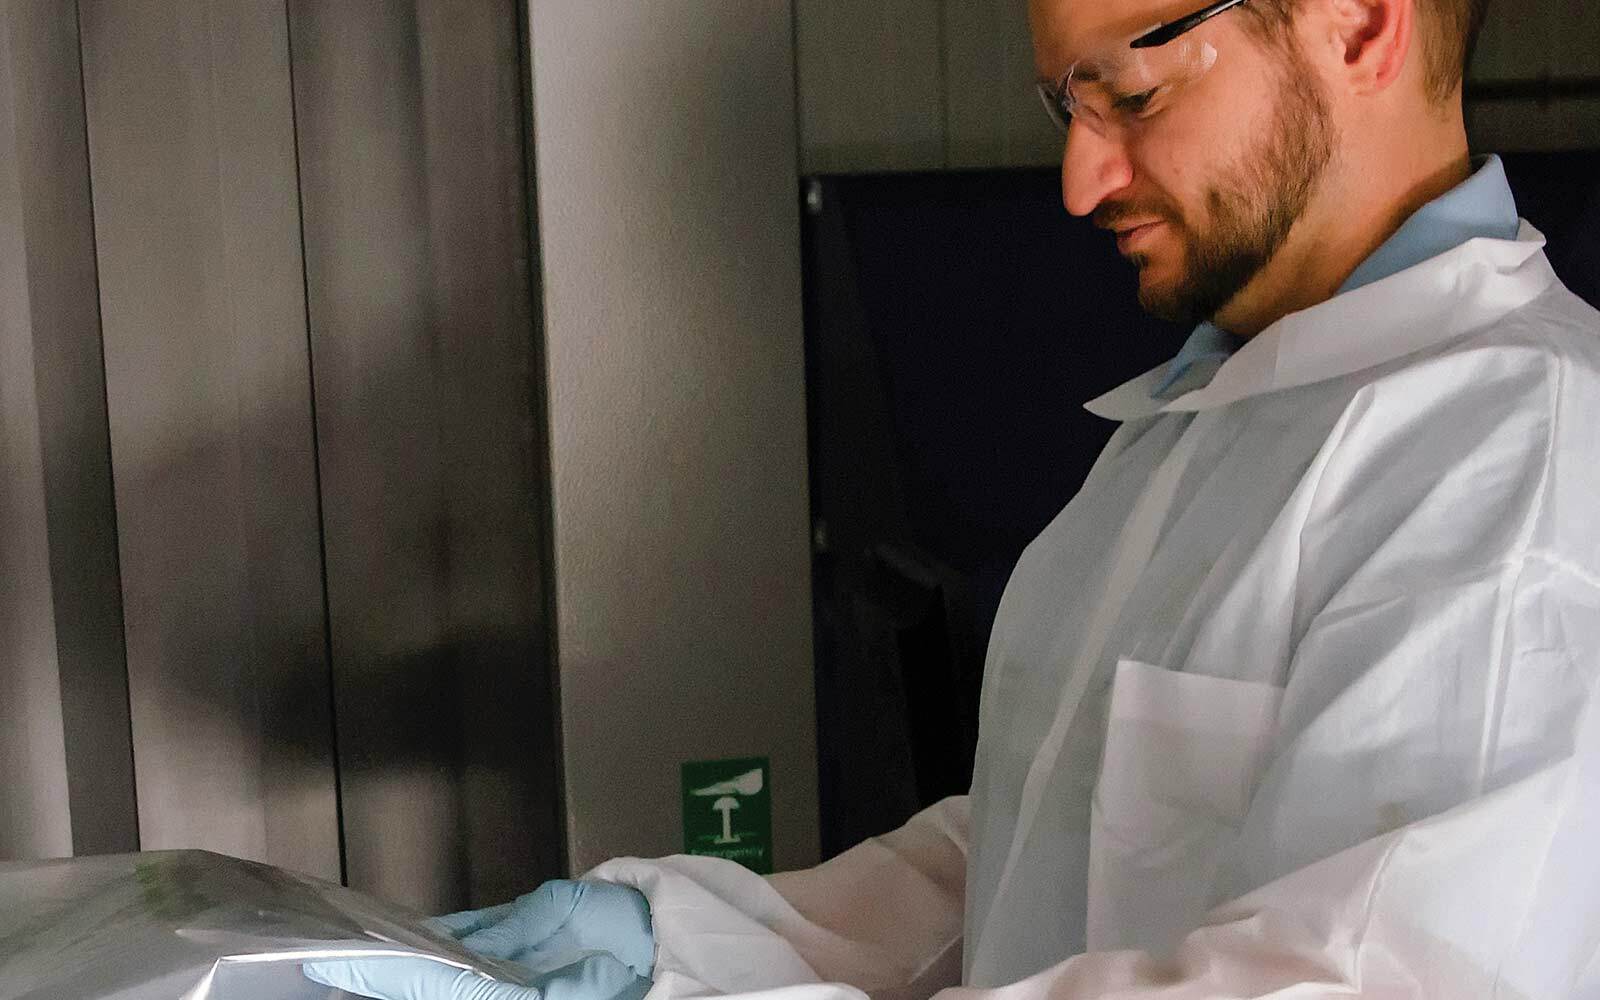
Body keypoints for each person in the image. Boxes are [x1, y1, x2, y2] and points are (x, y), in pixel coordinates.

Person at [308, 0, 1600, 996]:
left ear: (1359, 24)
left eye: (1130, 96)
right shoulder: (1210, 419)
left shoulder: (1509, 463)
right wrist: (694, 942)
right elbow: (1060, 834)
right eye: (1066, 109)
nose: (1083, 183)